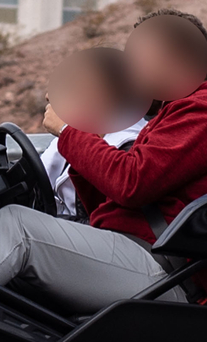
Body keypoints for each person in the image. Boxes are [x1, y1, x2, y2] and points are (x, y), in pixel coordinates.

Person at [0, 9, 207, 314]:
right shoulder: (171, 114)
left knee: (16, 227)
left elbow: (131, 183)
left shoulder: (206, 114)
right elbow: (118, 199)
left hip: (169, 272)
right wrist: (88, 135)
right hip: (146, 254)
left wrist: (68, 132)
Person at [35, 45, 147, 220]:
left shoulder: (129, 146)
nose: (50, 96)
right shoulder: (76, 133)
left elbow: (105, 218)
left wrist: (65, 130)